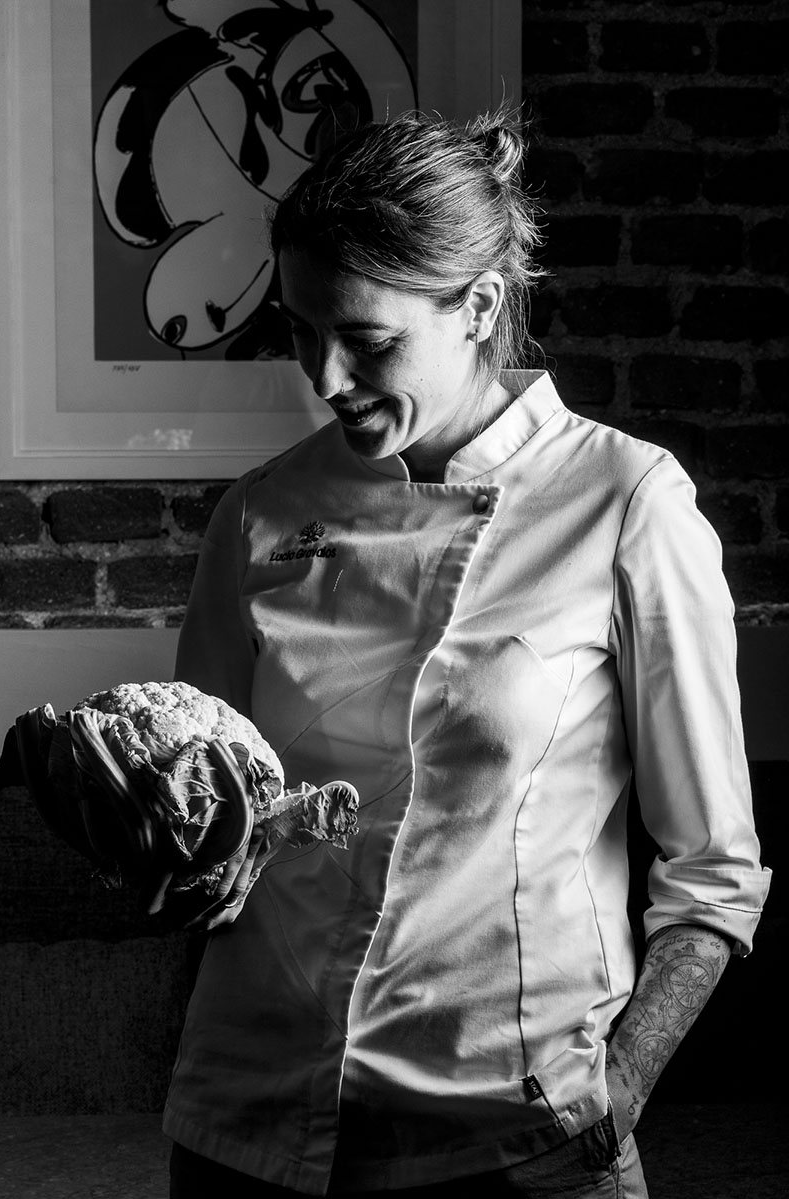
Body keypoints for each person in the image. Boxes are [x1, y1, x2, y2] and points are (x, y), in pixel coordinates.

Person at [164, 109, 771, 1198]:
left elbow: (713, 871)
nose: (325, 375)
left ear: (480, 306)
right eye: (301, 330)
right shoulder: (258, 512)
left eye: (368, 339)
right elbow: (199, 825)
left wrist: (622, 1081)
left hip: (515, 1131)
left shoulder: (625, 500)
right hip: (250, 1118)